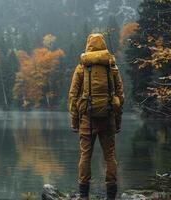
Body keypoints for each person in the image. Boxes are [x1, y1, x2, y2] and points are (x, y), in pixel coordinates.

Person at [68, 33, 124, 200]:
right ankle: (111, 195)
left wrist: (74, 122)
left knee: (85, 155)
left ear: (88, 45)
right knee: (110, 156)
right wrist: (118, 121)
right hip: (108, 118)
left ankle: (84, 195)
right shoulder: (112, 67)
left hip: (87, 119)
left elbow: (72, 96)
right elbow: (121, 96)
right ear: (103, 45)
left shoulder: (81, 68)